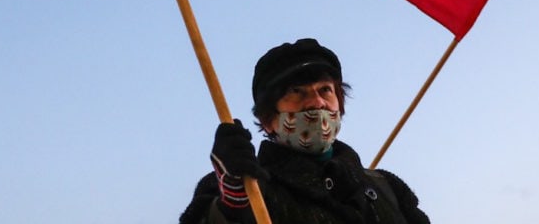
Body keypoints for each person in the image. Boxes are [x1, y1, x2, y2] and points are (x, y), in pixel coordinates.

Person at [179, 38, 429, 224]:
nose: (316, 103)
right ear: (267, 120)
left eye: (325, 90)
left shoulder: (388, 189)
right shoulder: (243, 187)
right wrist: (233, 198)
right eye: (296, 92)